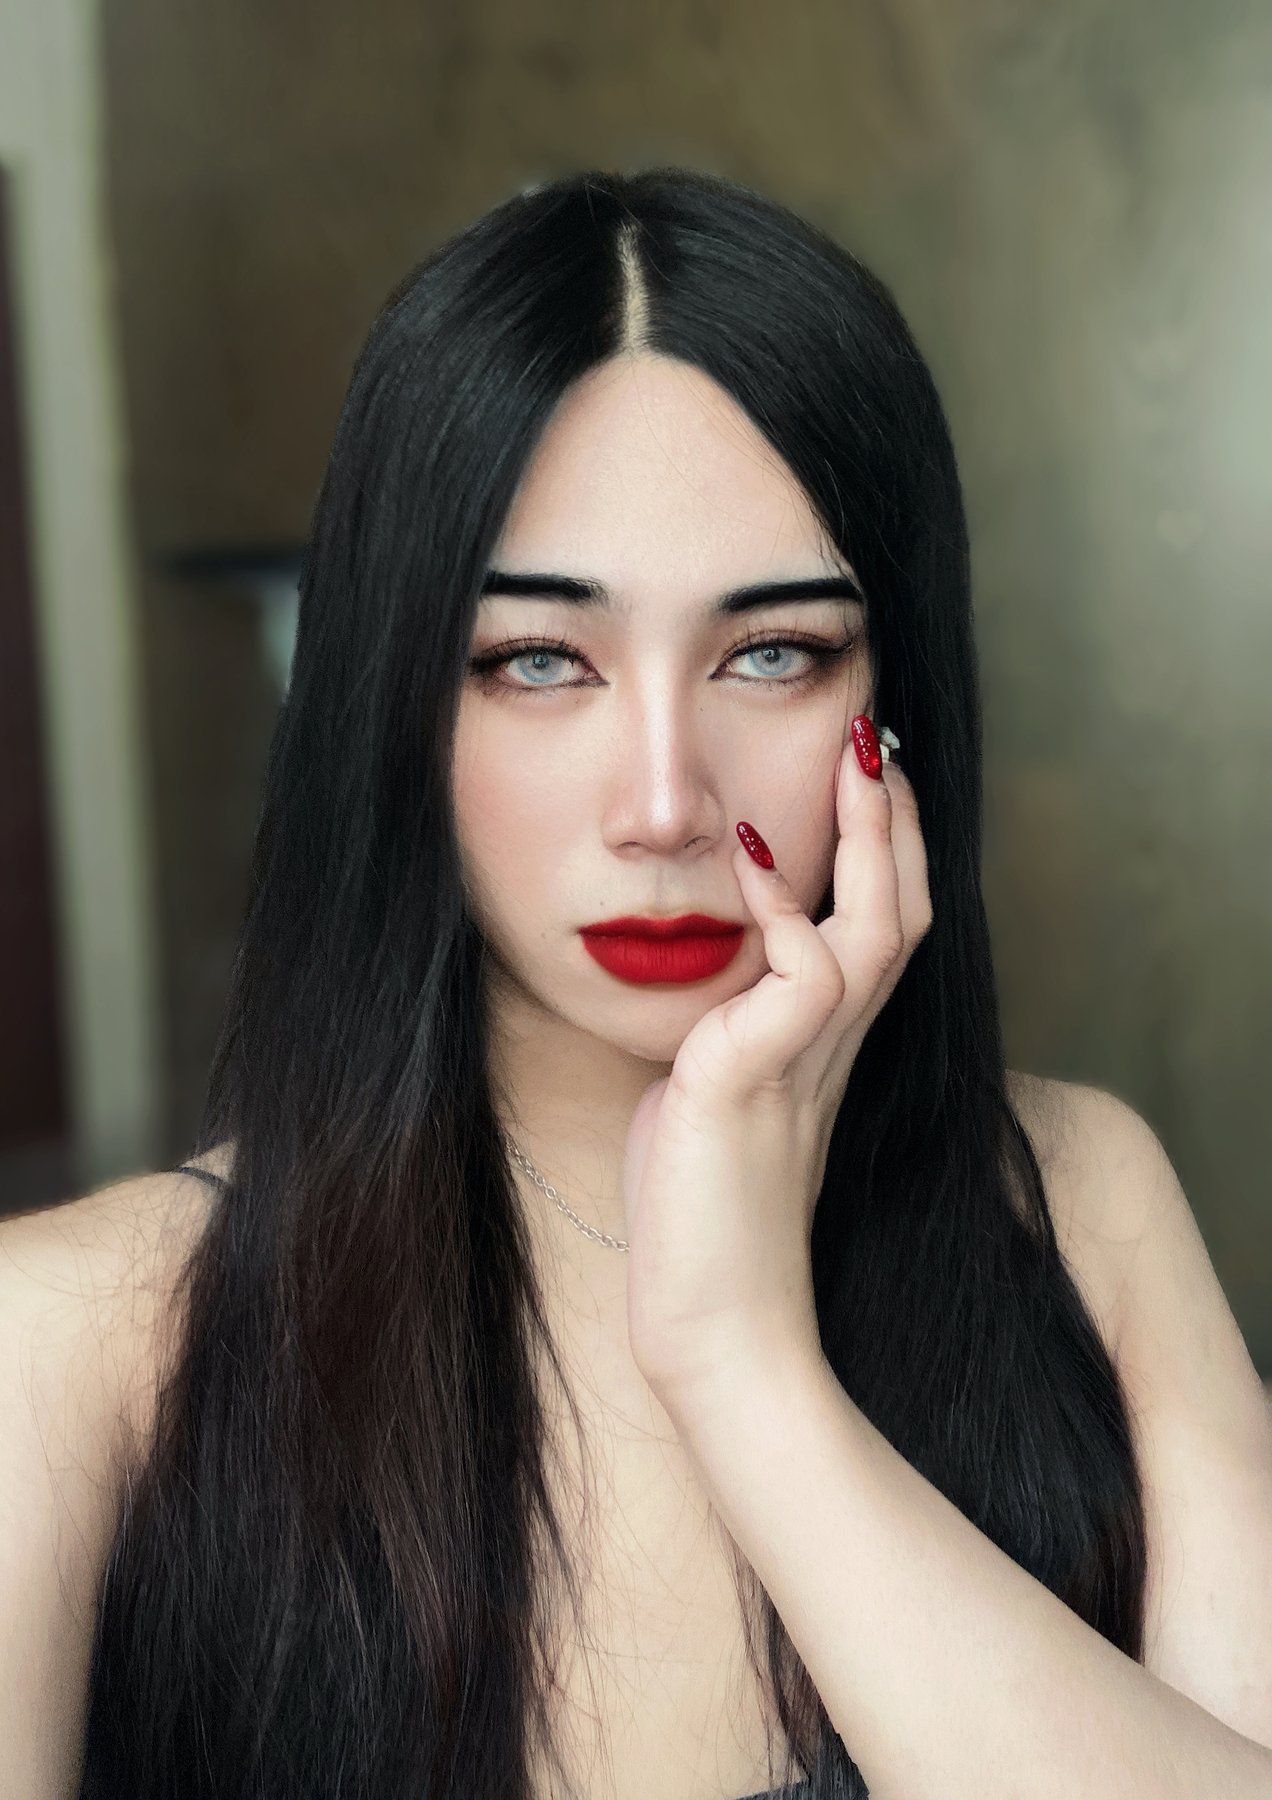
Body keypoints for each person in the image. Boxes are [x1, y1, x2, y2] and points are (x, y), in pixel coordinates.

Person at [4, 165, 1270, 1800]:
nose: (664, 804)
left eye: (773, 653)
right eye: (539, 661)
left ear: (894, 703)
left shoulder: (1081, 1204)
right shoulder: (76, 1348)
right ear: (395, 703)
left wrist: (748, 1367)